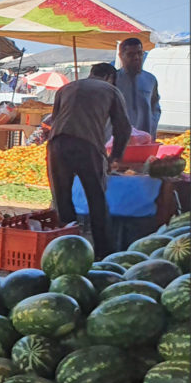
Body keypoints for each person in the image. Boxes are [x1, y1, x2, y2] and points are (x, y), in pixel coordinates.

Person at [48, 63, 133, 259]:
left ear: (92, 74)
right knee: (96, 197)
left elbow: (56, 119)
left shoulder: (65, 88)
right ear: (110, 77)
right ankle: (104, 252)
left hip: (57, 143)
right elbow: (123, 128)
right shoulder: (111, 90)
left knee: (62, 197)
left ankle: (66, 246)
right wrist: (116, 157)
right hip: (87, 144)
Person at [115, 37, 161, 138]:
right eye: (130, 54)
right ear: (121, 56)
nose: (136, 57)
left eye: (139, 53)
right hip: (119, 141)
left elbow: (155, 107)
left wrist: (152, 125)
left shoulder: (150, 79)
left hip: (144, 139)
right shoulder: (113, 79)